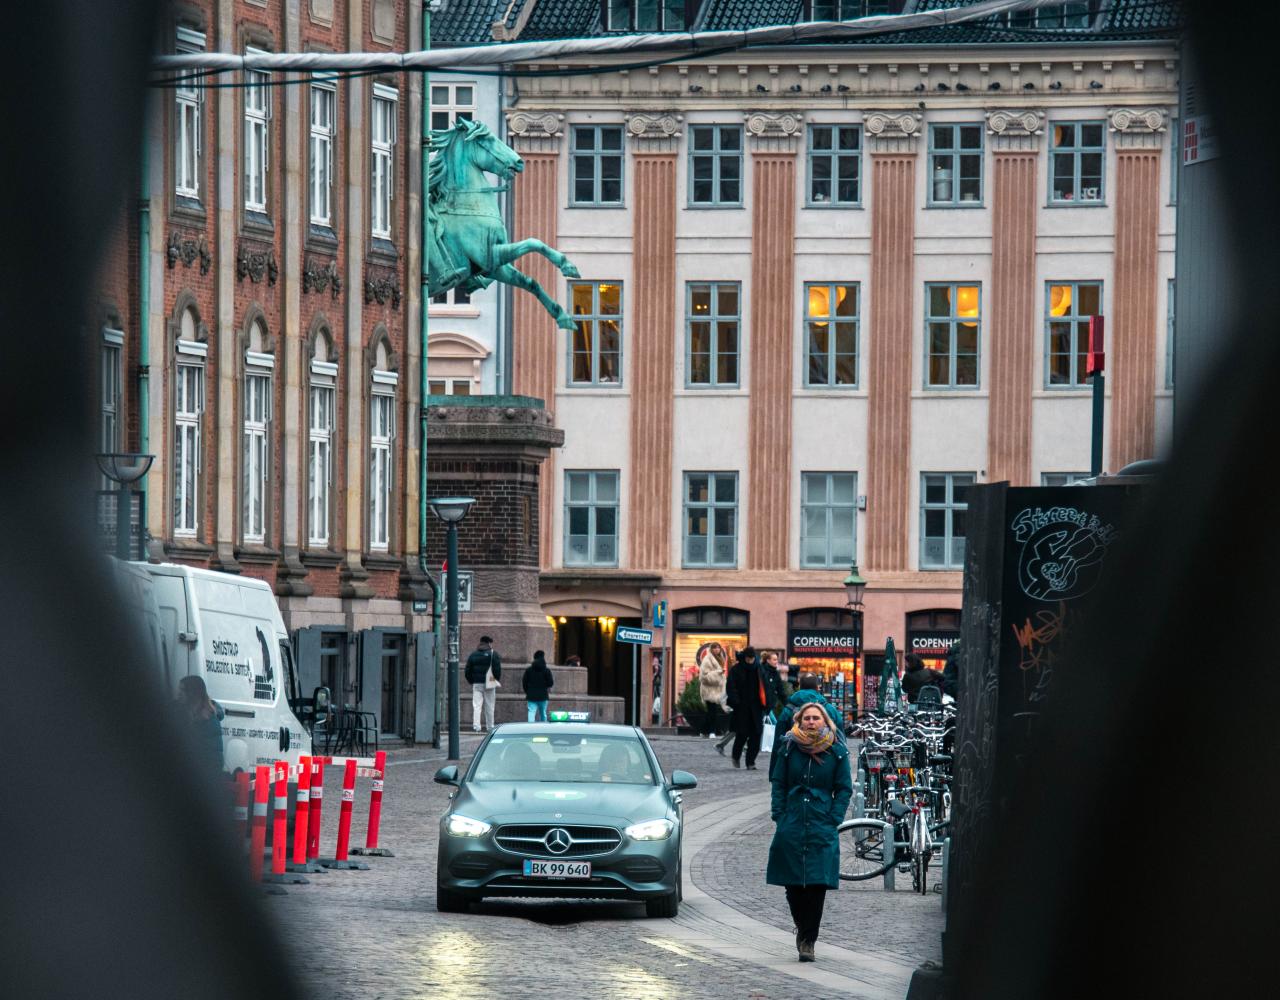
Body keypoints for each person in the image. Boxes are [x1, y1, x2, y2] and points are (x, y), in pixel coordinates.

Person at [766, 702, 853, 962]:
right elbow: (779, 782)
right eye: (807, 718)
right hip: (792, 821)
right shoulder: (789, 748)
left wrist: (834, 817)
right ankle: (801, 927)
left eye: (816, 718)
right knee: (793, 883)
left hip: (821, 822)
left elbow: (844, 788)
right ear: (799, 721)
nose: (812, 722)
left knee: (817, 884)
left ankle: (808, 940)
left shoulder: (837, 751)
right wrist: (779, 815)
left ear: (824, 721)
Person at [770, 673, 845, 776]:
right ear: (818, 687)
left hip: (794, 765)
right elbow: (841, 741)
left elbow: (778, 744)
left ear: (800, 687)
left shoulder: (788, 710)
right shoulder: (829, 709)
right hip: (825, 764)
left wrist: (774, 773)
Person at [726, 646, 779, 770]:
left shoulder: (759, 669)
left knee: (756, 734)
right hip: (742, 707)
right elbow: (731, 687)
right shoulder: (736, 670)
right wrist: (736, 702)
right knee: (742, 734)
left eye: (751, 658)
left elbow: (766, 687)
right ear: (744, 658)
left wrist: (768, 704)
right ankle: (736, 756)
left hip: (756, 707)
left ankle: (751, 762)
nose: (750, 661)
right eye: (748, 658)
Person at [177, 675, 225, 776]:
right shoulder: (198, 714)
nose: (178, 694)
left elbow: (208, 754)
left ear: (192, 693)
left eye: (182, 690)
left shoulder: (206, 720)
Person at [464, 635, 502, 732]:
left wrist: (471, 680)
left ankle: (476, 727)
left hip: (477, 683)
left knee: (477, 705)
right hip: (490, 683)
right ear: (489, 643)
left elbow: (467, 670)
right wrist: (495, 679)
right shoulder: (493, 654)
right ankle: (490, 727)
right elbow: (497, 669)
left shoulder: (473, 654)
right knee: (489, 705)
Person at [697, 642, 727, 739]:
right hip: (709, 690)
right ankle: (711, 732)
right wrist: (718, 673)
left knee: (712, 711)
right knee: (712, 711)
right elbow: (703, 677)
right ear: (711, 649)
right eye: (715, 648)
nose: (717, 650)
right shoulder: (707, 660)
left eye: (718, 648)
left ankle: (703, 730)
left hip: (716, 690)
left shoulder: (720, 658)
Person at [522, 650, 554, 722]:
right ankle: (543, 727)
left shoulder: (528, 670)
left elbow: (524, 682)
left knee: (531, 712)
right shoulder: (546, 670)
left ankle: (531, 728)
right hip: (543, 695)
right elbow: (551, 683)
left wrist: (528, 691)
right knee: (543, 713)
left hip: (531, 695)